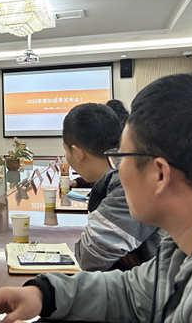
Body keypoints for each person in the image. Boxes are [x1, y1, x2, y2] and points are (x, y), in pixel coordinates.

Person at [0, 73, 192, 323]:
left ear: (160, 175)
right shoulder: (184, 248)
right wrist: (45, 295)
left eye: (121, 157)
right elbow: (132, 294)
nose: (115, 170)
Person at [62, 103, 161, 271]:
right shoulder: (123, 169)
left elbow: (88, 257)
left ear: (78, 153)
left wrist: (117, 245)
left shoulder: (131, 177)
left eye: (66, 151)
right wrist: (120, 245)